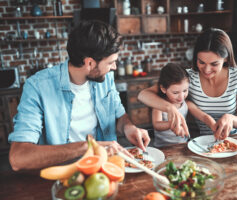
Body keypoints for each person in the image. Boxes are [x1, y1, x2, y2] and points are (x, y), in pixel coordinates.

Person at [8, 20, 150, 171]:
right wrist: (86, 147)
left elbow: (119, 116)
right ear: (89, 63)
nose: (114, 67)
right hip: (64, 173)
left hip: (106, 168)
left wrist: (129, 127)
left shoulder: (105, 78)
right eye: (110, 63)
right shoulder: (37, 86)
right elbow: (18, 158)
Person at [138, 28, 237, 140]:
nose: (206, 70)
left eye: (214, 64)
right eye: (201, 62)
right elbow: (143, 95)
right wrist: (169, 108)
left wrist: (231, 118)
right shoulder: (187, 78)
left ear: (225, 58)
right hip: (206, 142)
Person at [152, 63, 216, 147]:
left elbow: (203, 116)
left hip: (182, 145)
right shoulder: (159, 105)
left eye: (185, 90)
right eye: (175, 92)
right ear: (163, 89)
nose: (181, 97)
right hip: (163, 147)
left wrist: (213, 124)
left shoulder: (186, 104)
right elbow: (157, 125)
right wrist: (175, 124)